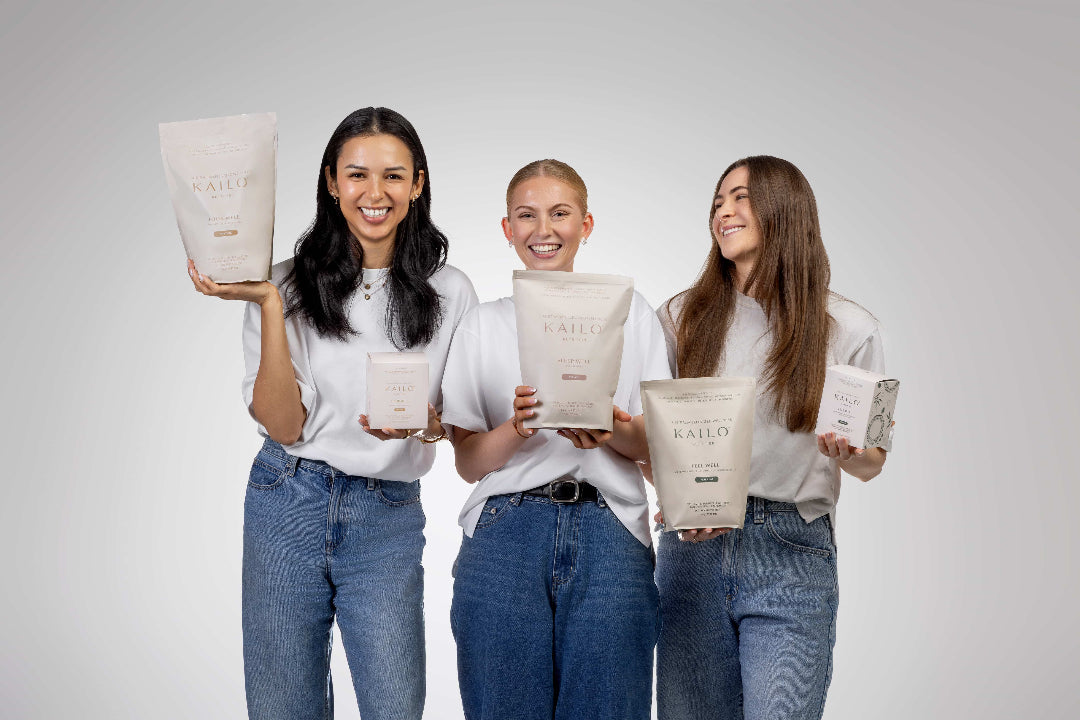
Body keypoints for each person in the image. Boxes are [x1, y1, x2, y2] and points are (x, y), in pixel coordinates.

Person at [187, 106, 478, 720]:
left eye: (394, 176)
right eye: (357, 175)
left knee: (396, 706)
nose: (376, 193)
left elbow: (453, 424)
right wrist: (268, 303)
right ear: (330, 182)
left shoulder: (450, 290)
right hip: (287, 499)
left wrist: (424, 423)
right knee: (283, 707)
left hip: (387, 513)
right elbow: (284, 426)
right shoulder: (286, 284)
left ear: (418, 184)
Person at [654, 155, 891, 720]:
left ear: (785, 210)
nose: (724, 212)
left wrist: (850, 451)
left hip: (792, 547)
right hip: (693, 551)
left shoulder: (853, 327)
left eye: (741, 197)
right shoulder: (679, 317)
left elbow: (875, 460)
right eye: (717, 202)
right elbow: (653, 437)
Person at [439, 159, 671, 720]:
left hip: (611, 528)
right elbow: (469, 464)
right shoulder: (483, 324)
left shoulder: (632, 314)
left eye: (560, 214)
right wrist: (516, 428)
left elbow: (657, 448)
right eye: (527, 215)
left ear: (586, 225)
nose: (543, 230)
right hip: (504, 533)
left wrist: (611, 429)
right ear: (507, 228)